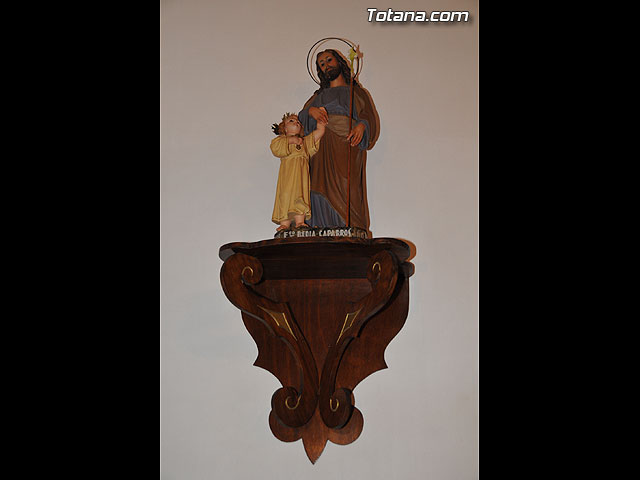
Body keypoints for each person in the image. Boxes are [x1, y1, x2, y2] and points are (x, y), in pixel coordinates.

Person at [298, 49, 379, 236]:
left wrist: (362, 126)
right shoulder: (318, 97)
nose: (326, 65)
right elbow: (300, 122)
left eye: (329, 60)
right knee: (316, 186)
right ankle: (320, 229)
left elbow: (367, 115)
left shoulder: (356, 93)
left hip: (346, 146)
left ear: (340, 62)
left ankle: (351, 229)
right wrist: (310, 112)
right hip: (321, 150)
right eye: (322, 64)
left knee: (348, 188)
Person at [270, 113, 327, 232]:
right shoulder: (281, 140)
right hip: (287, 176)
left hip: (301, 177)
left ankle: (300, 222)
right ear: (284, 128)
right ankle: (285, 224)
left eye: (298, 122)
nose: (296, 122)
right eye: (291, 121)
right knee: (285, 196)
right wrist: (291, 140)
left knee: (300, 196)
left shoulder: (304, 142)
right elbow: (275, 148)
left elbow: (319, 133)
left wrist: (321, 121)